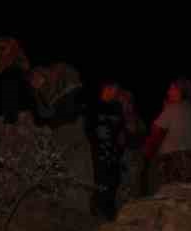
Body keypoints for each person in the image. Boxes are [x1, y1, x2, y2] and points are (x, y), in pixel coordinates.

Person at [30, 61, 96, 214]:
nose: (35, 79)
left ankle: (79, 214)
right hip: (62, 139)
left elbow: (67, 112)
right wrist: (39, 91)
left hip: (73, 138)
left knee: (78, 178)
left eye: (38, 75)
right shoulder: (49, 90)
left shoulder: (68, 81)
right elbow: (45, 115)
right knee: (67, 180)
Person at [0, 36, 38, 202]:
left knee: (8, 166)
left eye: (2, 48)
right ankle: (6, 201)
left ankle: (10, 202)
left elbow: (12, 108)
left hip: (9, 125)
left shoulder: (13, 72)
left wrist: (7, 132)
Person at [142, 79, 191, 191]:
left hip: (173, 161)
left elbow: (156, 133)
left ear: (181, 92)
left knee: (170, 193)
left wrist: (146, 155)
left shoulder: (172, 109)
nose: (168, 91)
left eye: (172, 88)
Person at [88, 80, 129, 219]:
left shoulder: (117, 106)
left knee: (114, 181)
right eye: (116, 89)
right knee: (101, 181)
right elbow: (89, 129)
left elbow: (121, 130)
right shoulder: (94, 106)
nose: (118, 92)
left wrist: (121, 148)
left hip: (114, 152)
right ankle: (98, 211)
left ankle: (110, 213)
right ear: (108, 88)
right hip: (98, 151)